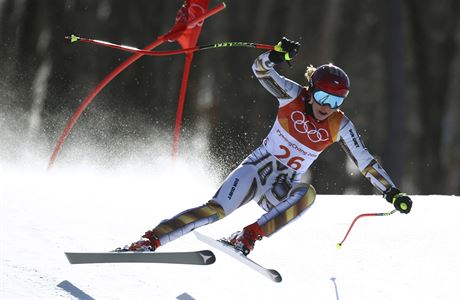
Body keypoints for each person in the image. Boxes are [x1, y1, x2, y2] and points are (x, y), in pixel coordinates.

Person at [119, 37, 413, 255]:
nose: (328, 107)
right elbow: (260, 70)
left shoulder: (340, 125)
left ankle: (246, 237)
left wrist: (391, 191)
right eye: (324, 98)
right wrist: (274, 55)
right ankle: (149, 240)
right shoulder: (292, 95)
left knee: (307, 195)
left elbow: (366, 162)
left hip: (280, 188)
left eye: (337, 102)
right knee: (215, 211)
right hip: (255, 171)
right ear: (311, 91)